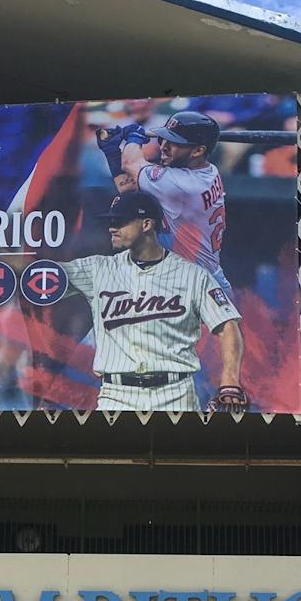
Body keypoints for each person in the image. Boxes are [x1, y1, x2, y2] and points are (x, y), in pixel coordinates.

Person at [53, 191, 246, 412]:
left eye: (120, 221)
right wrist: (9, 264)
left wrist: (230, 378)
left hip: (176, 393)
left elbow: (228, 325)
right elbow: (39, 276)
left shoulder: (192, 275)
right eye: (110, 221)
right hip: (116, 395)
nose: (112, 228)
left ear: (147, 224)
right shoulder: (97, 269)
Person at [97, 110, 231, 293]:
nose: (164, 146)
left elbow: (130, 162)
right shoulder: (208, 171)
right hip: (191, 278)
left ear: (199, 150)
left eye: (175, 143)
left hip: (196, 286)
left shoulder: (180, 185)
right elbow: (130, 192)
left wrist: (135, 136)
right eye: (163, 139)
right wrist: (113, 153)